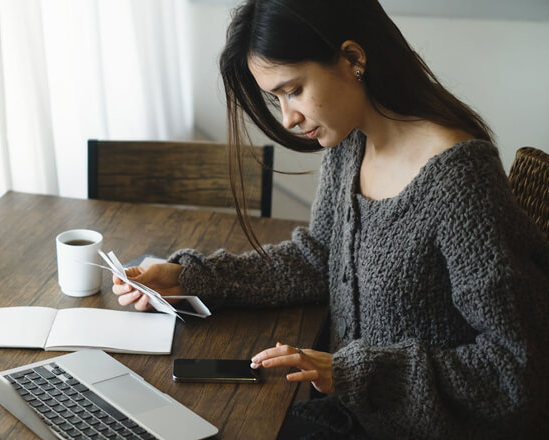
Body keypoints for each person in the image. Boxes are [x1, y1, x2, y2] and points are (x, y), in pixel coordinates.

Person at [113, 0, 549, 438]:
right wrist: (191, 278)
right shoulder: (349, 144)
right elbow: (319, 258)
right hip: (349, 417)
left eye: (294, 90)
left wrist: (354, 373)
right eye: (276, 98)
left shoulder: (460, 180)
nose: (288, 118)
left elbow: (517, 370)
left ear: (353, 59)